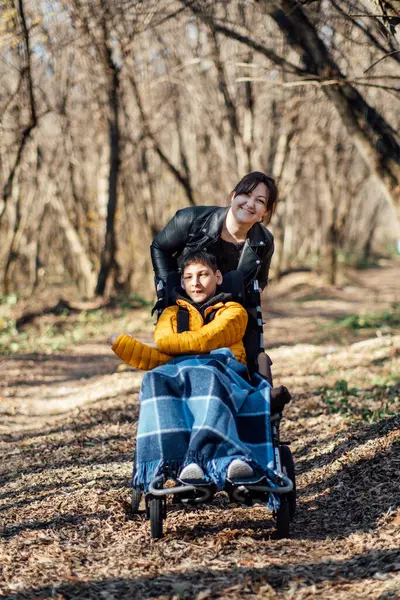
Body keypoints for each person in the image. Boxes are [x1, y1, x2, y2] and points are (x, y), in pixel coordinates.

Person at [112, 251, 274, 487]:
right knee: (155, 379)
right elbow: (160, 356)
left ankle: (222, 457)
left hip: (224, 372)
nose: (196, 283)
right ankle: (176, 462)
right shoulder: (171, 314)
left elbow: (197, 341)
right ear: (181, 282)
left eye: (203, 275)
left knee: (204, 373)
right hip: (179, 375)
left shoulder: (234, 312)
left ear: (218, 277)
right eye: (189, 277)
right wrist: (124, 346)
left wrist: (173, 347)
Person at [150, 171, 278, 294]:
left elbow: (261, 280)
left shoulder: (265, 241)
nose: (250, 204)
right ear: (233, 196)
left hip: (230, 309)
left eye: (260, 201)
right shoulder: (191, 219)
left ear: (265, 211)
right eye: (246, 194)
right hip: (185, 300)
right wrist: (170, 290)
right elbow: (159, 246)